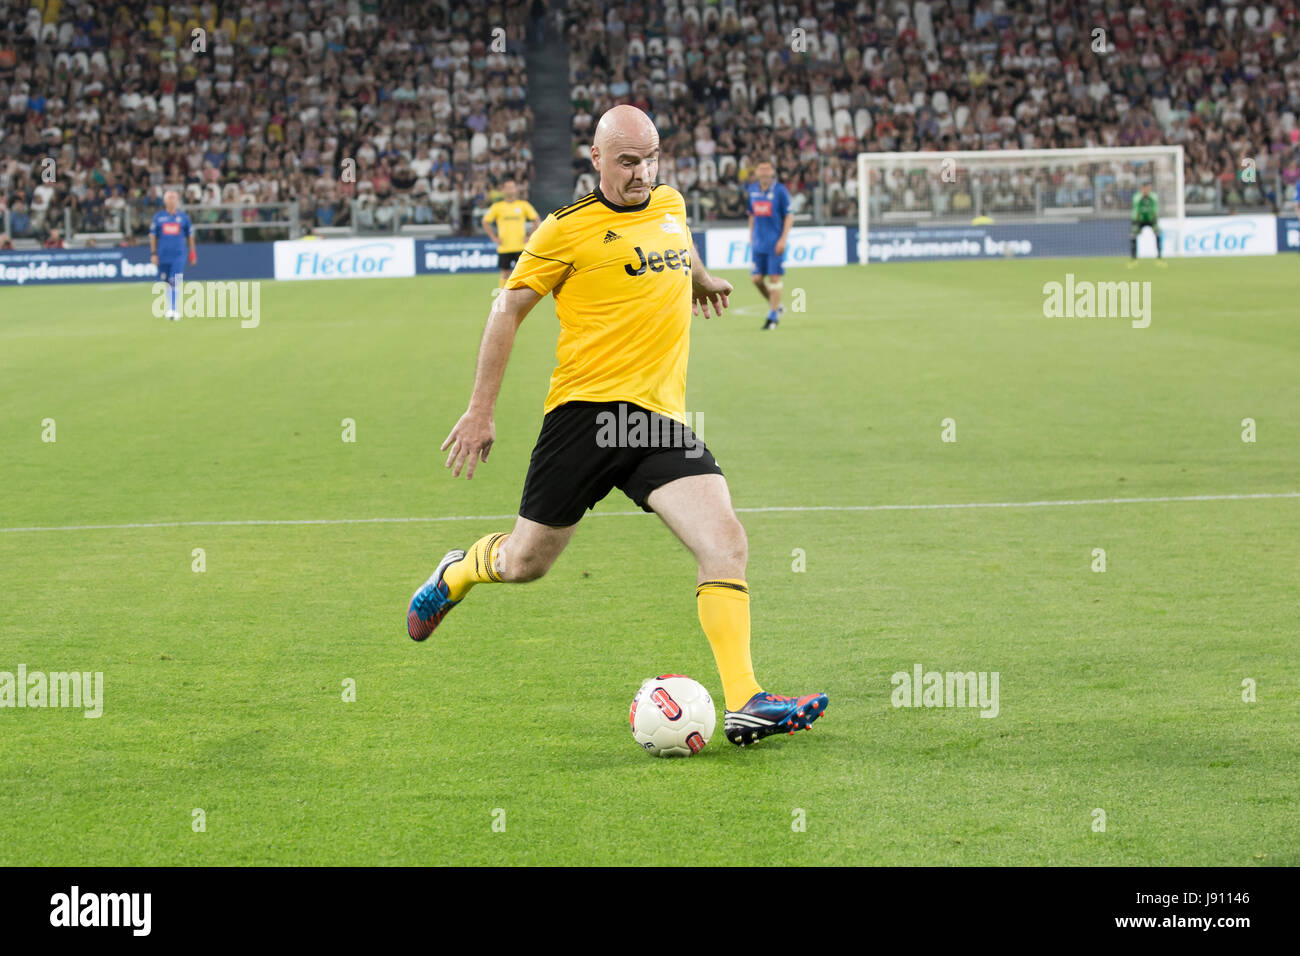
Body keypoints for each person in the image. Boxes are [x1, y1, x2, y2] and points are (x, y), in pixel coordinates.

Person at [407, 105, 828, 747]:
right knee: (525, 562)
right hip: (584, 418)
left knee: (726, 541)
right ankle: (457, 572)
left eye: (650, 157)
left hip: (656, 423)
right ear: (596, 160)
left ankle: (746, 699)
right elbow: (507, 310)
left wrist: (704, 278)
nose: (642, 172)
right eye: (628, 161)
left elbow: (677, 242)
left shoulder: (670, 202)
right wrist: (480, 409)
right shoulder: (565, 230)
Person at [745, 161, 793, 329]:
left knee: (774, 278)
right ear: (757, 172)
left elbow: (789, 216)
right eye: (761, 169)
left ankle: (772, 317)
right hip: (759, 244)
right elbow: (751, 215)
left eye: (767, 169)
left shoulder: (780, 191)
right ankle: (776, 305)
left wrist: (783, 239)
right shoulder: (752, 190)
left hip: (775, 243)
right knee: (756, 279)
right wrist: (751, 237)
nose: (764, 172)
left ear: (772, 172)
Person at [481, 180, 540, 292]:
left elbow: (536, 219)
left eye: (512, 187)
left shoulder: (523, 205)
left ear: (516, 189)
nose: (510, 190)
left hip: (521, 246)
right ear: (503, 190)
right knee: (505, 273)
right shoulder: (497, 206)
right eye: (507, 187)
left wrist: (530, 236)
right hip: (504, 247)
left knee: (523, 273)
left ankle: (521, 296)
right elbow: (485, 221)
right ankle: (502, 296)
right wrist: (493, 237)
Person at [150, 190, 196, 320]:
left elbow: (190, 236)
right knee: (165, 281)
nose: (172, 201)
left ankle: (173, 309)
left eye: (174, 198)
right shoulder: (158, 217)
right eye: (169, 198)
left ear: (177, 201)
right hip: (163, 255)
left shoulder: (184, 218)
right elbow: (153, 236)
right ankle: (171, 306)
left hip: (178, 255)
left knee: (174, 280)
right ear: (165, 201)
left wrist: (192, 252)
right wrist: (153, 253)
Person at [1129, 183, 1161, 262]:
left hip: (1150, 219)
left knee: (1157, 233)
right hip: (1139, 219)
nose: (1146, 190)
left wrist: (1154, 218)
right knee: (1133, 235)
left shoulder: (1153, 196)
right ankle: (1134, 257)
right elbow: (1136, 207)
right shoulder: (1137, 197)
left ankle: (1159, 255)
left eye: (1148, 188)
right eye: (1144, 188)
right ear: (1142, 189)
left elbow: (1154, 209)